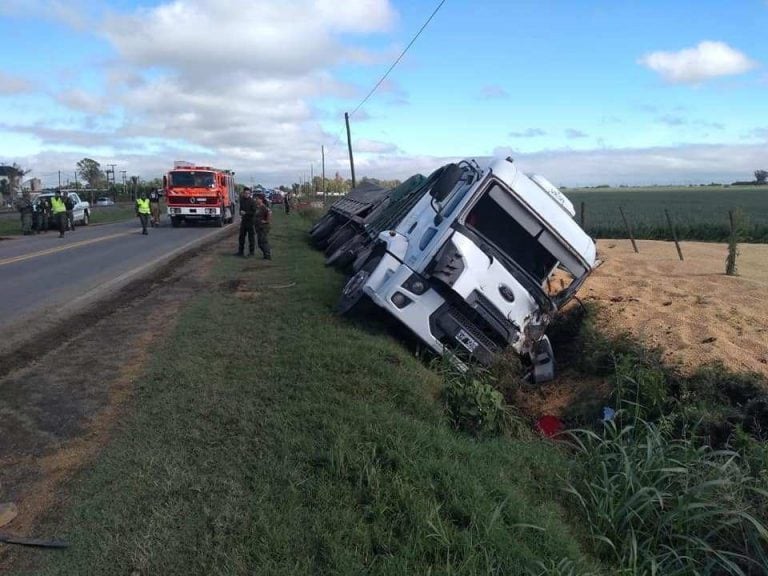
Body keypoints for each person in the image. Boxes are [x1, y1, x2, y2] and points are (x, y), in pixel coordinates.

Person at [235, 187, 256, 256]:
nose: (247, 194)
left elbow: (253, 212)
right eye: (245, 193)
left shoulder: (252, 201)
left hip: (250, 221)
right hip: (244, 221)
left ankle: (251, 252)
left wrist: (246, 213)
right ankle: (240, 251)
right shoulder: (242, 200)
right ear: (243, 193)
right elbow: (240, 209)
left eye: (248, 193)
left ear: (250, 194)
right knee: (241, 237)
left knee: (251, 238)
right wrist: (241, 213)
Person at [254, 193, 272, 260]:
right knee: (260, 242)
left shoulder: (264, 207)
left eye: (257, 199)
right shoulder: (258, 207)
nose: (256, 199)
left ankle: (267, 255)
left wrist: (266, 221)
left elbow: (270, 213)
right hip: (259, 227)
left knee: (263, 241)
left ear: (261, 200)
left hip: (263, 227)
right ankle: (265, 255)